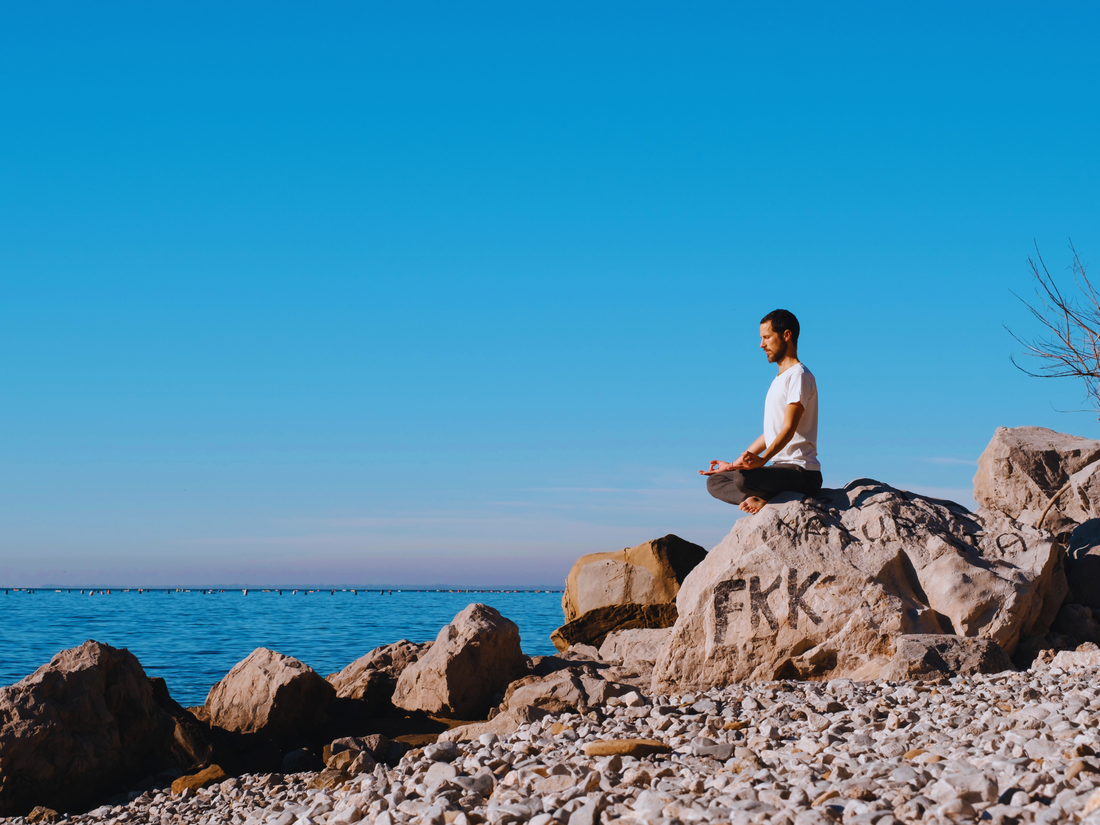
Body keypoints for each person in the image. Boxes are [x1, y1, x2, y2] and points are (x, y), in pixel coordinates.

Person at [700, 309, 822, 513]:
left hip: (801, 472)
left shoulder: (799, 375)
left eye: (766, 337)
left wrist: (763, 460)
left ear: (786, 335)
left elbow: (789, 428)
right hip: (778, 470)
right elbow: (770, 434)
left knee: (743, 478)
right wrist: (733, 465)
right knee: (716, 480)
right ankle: (759, 495)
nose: (761, 344)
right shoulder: (779, 379)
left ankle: (765, 496)